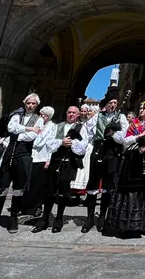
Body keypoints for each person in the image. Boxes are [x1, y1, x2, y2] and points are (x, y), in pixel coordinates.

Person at [0, 93, 43, 234]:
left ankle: (13, 218)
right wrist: (28, 128)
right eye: (28, 103)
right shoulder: (16, 115)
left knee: (18, 188)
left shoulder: (39, 119)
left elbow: (31, 137)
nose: (30, 106)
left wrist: (20, 132)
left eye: (33, 104)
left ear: (37, 105)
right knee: (2, 187)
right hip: (10, 154)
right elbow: (11, 128)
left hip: (24, 155)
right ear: (25, 103)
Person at [103, 101, 145, 238]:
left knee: (144, 192)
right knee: (127, 191)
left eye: (144, 108)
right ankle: (125, 224)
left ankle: (144, 224)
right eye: (140, 107)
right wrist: (139, 136)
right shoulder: (134, 124)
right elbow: (126, 140)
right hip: (131, 159)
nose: (141, 109)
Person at [33, 105, 88, 234]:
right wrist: (61, 142)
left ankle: (58, 220)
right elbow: (49, 143)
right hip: (56, 161)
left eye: (74, 113)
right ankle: (44, 219)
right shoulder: (57, 126)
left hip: (69, 163)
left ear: (78, 114)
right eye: (69, 112)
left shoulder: (81, 128)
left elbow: (83, 146)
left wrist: (72, 143)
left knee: (63, 191)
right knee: (50, 191)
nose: (71, 115)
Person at [81, 94, 126, 233]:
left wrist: (113, 134)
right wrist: (88, 146)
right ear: (106, 104)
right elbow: (86, 132)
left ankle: (102, 216)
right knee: (93, 183)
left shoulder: (121, 117)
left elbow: (122, 136)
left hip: (112, 152)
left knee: (108, 185)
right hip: (98, 150)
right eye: (111, 102)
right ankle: (89, 218)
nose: (113, 105)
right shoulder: (97, 117)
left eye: (115, 103)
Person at [22, 106, 56, 215]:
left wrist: (48, 160)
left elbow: (52, 145)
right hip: (31, 156)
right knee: (27, 182)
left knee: (39, 184)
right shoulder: (35, 125)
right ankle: (25, 205)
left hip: (43, 157)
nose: (40, 117)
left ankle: (37, 206)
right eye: (40, 115)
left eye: (42, 115)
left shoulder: (53, 127)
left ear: (47, 116)